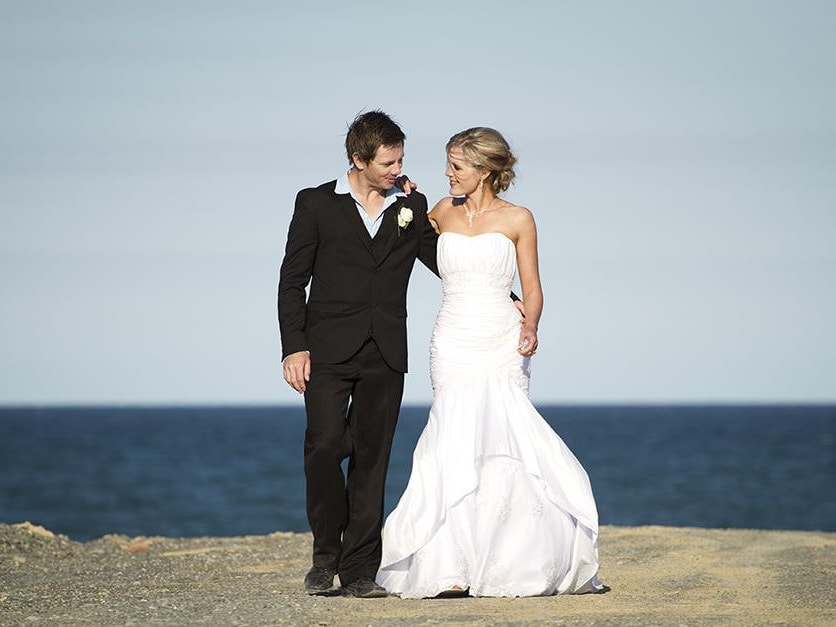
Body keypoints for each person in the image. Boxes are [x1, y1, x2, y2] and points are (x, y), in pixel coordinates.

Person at [376, 127, 605, 598]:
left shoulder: (519, 218)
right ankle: (450, 564)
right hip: (453, 337)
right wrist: (407, 201)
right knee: (453, 434)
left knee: (503, 435)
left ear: (484, 170)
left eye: (456, 167)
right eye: (448, 165)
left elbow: (533, 285)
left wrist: (531, 323)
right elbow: (410, 244)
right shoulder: (440, 211)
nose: (448, 174)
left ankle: (516, 558)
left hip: (500, 336)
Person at [277, 110, 439, 598]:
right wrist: (294, 346)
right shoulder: (316, 204)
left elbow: (443, 261)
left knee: (373, 458)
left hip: (386, 350)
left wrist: (504, 293)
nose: (396, 168)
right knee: (325, 447)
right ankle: (324, 556)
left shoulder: (411, 206)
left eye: (400, 159)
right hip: (326, 348)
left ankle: (361, 569)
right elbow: (292, 280)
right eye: (388, 161)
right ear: (358, 159)